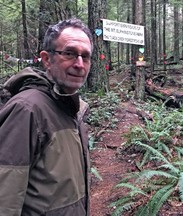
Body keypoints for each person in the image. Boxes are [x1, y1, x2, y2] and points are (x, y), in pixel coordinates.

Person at [0, 18, 93, 215]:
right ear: (46, 59)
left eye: (85, 57)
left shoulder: (71, 108)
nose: (79, 64)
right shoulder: (26, 110)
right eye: (69, 53)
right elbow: (4, 200)